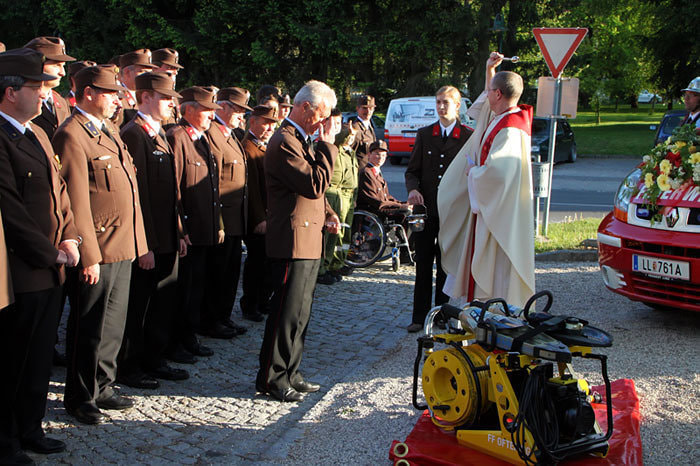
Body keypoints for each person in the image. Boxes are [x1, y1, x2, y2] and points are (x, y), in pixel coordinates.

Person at [53, 64, 148, 425]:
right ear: (89, 93)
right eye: (111, 93)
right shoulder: (72, 134)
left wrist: (138, 241)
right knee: (89, 326)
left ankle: (103, 385)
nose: (118, 100)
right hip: (98, 247)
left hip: (121, 243)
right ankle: (80, 396)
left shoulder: (107, 129)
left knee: (113, 324)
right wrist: (88, 256)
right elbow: (76, 202)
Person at [0, 47, 79, 464]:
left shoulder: (39, 134)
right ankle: (7, 440)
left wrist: (70, 238)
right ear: (11, 92)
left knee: (39, 358)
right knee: (13, 360)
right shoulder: (2, 138)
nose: (44, 94)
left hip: (52, 267)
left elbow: (60, 192)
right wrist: (50, 253)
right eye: (36, 87)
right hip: (22, 270)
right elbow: (10, 209)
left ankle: (31, 428)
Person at [256, 80, 339, 403]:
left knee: (301, 312)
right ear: (305, 108)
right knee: (285, 312)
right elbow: (314, 183)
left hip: (308, 236)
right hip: (292, 238)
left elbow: (316, 190)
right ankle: (272, 377)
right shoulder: (284, 141)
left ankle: (291, 370)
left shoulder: (300, 139)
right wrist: (328, 146)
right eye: (322, 113)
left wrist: (329, 213)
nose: (324, 121)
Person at [439, 52, 535, 309]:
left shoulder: (511, 128)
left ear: (498, 94)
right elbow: (482, 111)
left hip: (500, 214)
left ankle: (496, 312)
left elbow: (499, 174)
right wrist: (490, 70)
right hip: (490, 208)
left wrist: (474, 173)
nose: (486, 94)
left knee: (497, 270)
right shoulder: (500, 117)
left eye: (490, 90)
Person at [117, 71, 189, 389]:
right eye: (165, 98)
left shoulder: (158, 133)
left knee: (161, 303)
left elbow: (171, 193)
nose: (172, 104)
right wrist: (143, 244)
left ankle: (154, 358)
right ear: (145, 97)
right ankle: (131, 366)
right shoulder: (135, 134)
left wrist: (179, 231)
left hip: (167, 237)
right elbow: (139, 197)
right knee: (140, 307)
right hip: (149, 240)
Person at [404, 86, 472, 332]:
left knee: (446, 264)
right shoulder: (425, 134)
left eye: (446, 103)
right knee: (423, 263)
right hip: (425, 209)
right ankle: (419, 317)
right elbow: (412, 171)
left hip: (451, 212)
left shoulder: (467, 137)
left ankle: (442, 314)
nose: (441, 107)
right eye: (438, 102)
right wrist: (413, 189)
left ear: (457, 105)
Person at [167, 86, 222, 360]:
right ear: (188, 109)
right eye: (207, 110)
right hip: (188, 231)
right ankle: (176, 341)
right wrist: (181, 229)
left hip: (202, 229)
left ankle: (189, 336)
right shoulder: (178, 137)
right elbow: (174, 188)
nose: (212, 116)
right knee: (182, 291)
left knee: (195, 287)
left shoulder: (200, 138)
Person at [202, 87, 252, 332]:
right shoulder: (213, 134)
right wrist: (218, 221)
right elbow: (215, 181)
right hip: (222, 218)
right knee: (217, 274)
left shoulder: (231, 135)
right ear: (222, 106)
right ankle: (211, 320)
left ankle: (223, 316)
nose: (242, 116)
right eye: (238, 110)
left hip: (236, 219)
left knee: (230, 274)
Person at [239, 105, 277, 319]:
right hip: (258, 217)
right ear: (252, 122)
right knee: (256, 263)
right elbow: (251, 189)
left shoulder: (263, 147)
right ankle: (250, 304)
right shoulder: (248, 147)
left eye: (272, 124)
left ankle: (262, 300)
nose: (270, 128)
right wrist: (259, 218)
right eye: (265, 123)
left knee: (267, 262)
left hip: (269, 214)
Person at [317, 110, 358, 285]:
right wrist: (347, 131)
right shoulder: (332, 145)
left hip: (346, 196)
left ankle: (335, 263)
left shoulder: (350, 152)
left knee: (341, 235)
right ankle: (322, 268)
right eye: (334, 123)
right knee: (328, 234)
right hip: (332, 193)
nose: (350, 138)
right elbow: (339, 137)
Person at [24, 36, 75, 141]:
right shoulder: (21, 101)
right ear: (37, 65)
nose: (62, 73)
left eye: (63, 66)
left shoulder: (61, 101)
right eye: (56, 65)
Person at [357, 140, 411, 223]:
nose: (380, 157)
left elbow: (387, 197)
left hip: (380, 208)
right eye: (377, 154)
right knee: (405, 213)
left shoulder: (377, 172)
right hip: (373, 211)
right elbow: (375, 201)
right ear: (369, 155)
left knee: (411, 212)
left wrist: (404, 203)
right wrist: (400, 206)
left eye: (383, 155)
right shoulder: (366, 172)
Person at [117, 49, 157, 127]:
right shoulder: (119, 99)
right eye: (143, 72)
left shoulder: (148, 97)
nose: (148, 77)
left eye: (150, 72)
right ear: (127, 72)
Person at [349, 94, 377, 171]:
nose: (368, 111)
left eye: (371, 108)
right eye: (364, 108)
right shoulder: (355, 128)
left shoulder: (369, 126)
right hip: (359, 172)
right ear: (357, 108)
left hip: (369, 170)